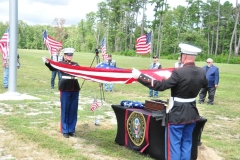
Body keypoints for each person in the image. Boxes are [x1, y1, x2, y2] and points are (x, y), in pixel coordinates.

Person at [132, 43, 208, 160]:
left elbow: (159, 86)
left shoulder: (178, 73)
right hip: (192, 112)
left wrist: (140, 76)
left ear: (184, 56)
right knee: (187, 143)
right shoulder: (202, 71)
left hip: (177, 113)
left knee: (174, 145)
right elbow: (204, 84)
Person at [42, 48, 80, 138]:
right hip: (65, 88)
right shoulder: (61, 63)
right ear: (64, 55)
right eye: (68, 55)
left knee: (73, 110)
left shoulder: (75, 64)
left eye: (71, 55)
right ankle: (65, 130)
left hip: (75, 88)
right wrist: (47, 62)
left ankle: (71, 129)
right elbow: (52, 68)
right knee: (65, 109)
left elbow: (82, 71)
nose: (69, 57)